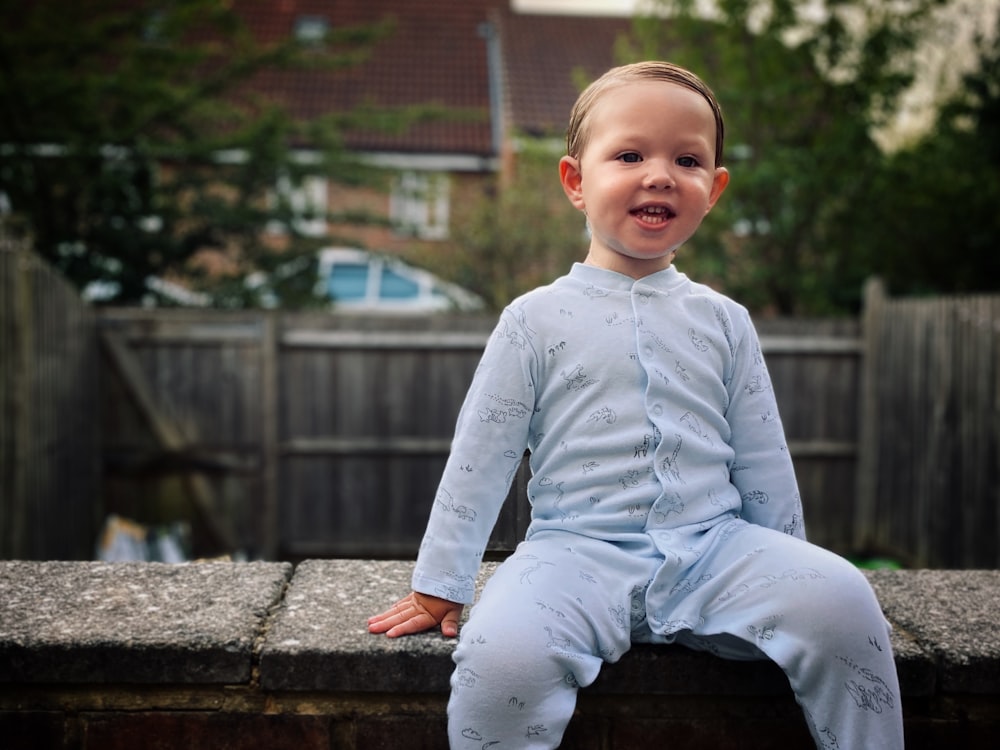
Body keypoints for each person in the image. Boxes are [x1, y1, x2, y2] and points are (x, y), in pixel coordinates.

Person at [368, 61, 903, 749]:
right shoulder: (535, 319)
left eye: (686, 159)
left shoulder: (725, 320)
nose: (659, 174)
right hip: (572, 553)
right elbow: (481, 453)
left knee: (844, 599)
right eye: (630, 154)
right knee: (501, 655)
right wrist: (440, 582)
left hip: (715, 550)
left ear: (713, 191)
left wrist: (788, 574)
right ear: (575, 181)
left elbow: (763, 454)